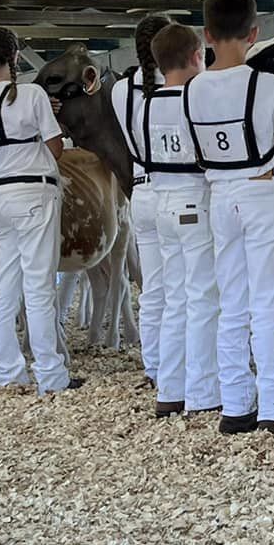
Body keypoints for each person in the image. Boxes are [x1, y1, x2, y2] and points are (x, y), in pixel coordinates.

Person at [184, 0, 274, 434]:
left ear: (207, 35)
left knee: (231, 302)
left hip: (220, 197)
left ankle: (235, 406)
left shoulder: (193, 90)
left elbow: (200, 152)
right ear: (254, 33)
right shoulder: (271, 86)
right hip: (263, 193)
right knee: (266, 302)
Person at [0, 26, 78, 396]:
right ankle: (51, 374)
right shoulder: (31, 94)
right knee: (39, 286)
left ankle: (9, 373)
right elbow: (57, 149)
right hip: (33, 193)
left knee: (3, 288)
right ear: (15, 57)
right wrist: (53, 120)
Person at [145, 22, 220, 417]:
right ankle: (205, 392)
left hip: (161, 201)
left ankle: (170, 389)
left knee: (175, 298)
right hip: (195, 200)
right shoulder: (197, 100)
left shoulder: (148, 103)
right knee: (203, 298)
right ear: (197, 57)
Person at [111, 21, 170, 400]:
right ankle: (183, 367)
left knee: (153, 290)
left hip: (140, 191)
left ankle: (154, 365)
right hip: (175, 187)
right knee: (183, 288)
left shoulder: (118, 90)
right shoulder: (181, 84)